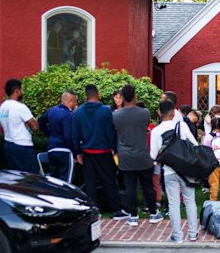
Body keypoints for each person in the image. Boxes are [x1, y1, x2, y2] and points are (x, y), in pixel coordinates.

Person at [72, 84, 127, 220]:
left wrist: (78, 152)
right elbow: (110, 132)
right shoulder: (105, 111)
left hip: (87, 152)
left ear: (85, 96)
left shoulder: (78, 112)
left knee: (90, 182)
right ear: (98, 95)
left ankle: (94, 211)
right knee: (109, 181)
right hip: (103, 151)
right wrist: (115, 149)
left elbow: (75, 134)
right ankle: (116, 210)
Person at [113, 84, 163, 226]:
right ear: (135, 96)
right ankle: (153, 213)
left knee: (130, 186)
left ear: (122, 97)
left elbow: (117, 130)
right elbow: (145, 127)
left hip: (125, 155)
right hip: (142, 154)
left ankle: (133, 215)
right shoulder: (144, 112)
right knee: (147, 185)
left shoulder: (116, 115)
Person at [150, 100, 199, 243]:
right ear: (174, 112)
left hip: (169, 170)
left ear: (159, 113)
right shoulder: (182, 125)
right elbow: (194, 144)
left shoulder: (155, 131)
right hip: (186, 169)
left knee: (173, 203)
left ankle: (177, 236)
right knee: (190, 201)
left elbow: (153, 155)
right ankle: (193, 233)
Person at [0, 79, 40, 173]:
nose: (23, 92)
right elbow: (35, 127)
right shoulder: (20, 107)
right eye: (22, 90)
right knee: (31, 178)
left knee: (15, 177)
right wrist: (30, 122)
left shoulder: (3, 107)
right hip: (23, 146)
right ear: (17, 91)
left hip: (8, 144)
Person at [38, 90, 78, 181]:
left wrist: (50, 135)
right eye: (75, 101)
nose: (76, 103)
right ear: (69, 101)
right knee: (65, 181)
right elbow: (68, 137)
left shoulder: (52, 110)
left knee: (54, 180)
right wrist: (75, 153)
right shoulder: (68, 115)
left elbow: (41, 121)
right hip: (64, 151)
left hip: (52, 150)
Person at [202, 117, 220, 202]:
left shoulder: (208, 137)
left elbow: (205, 150)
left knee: (214, 184)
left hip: (214, 164)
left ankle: (213, 200)